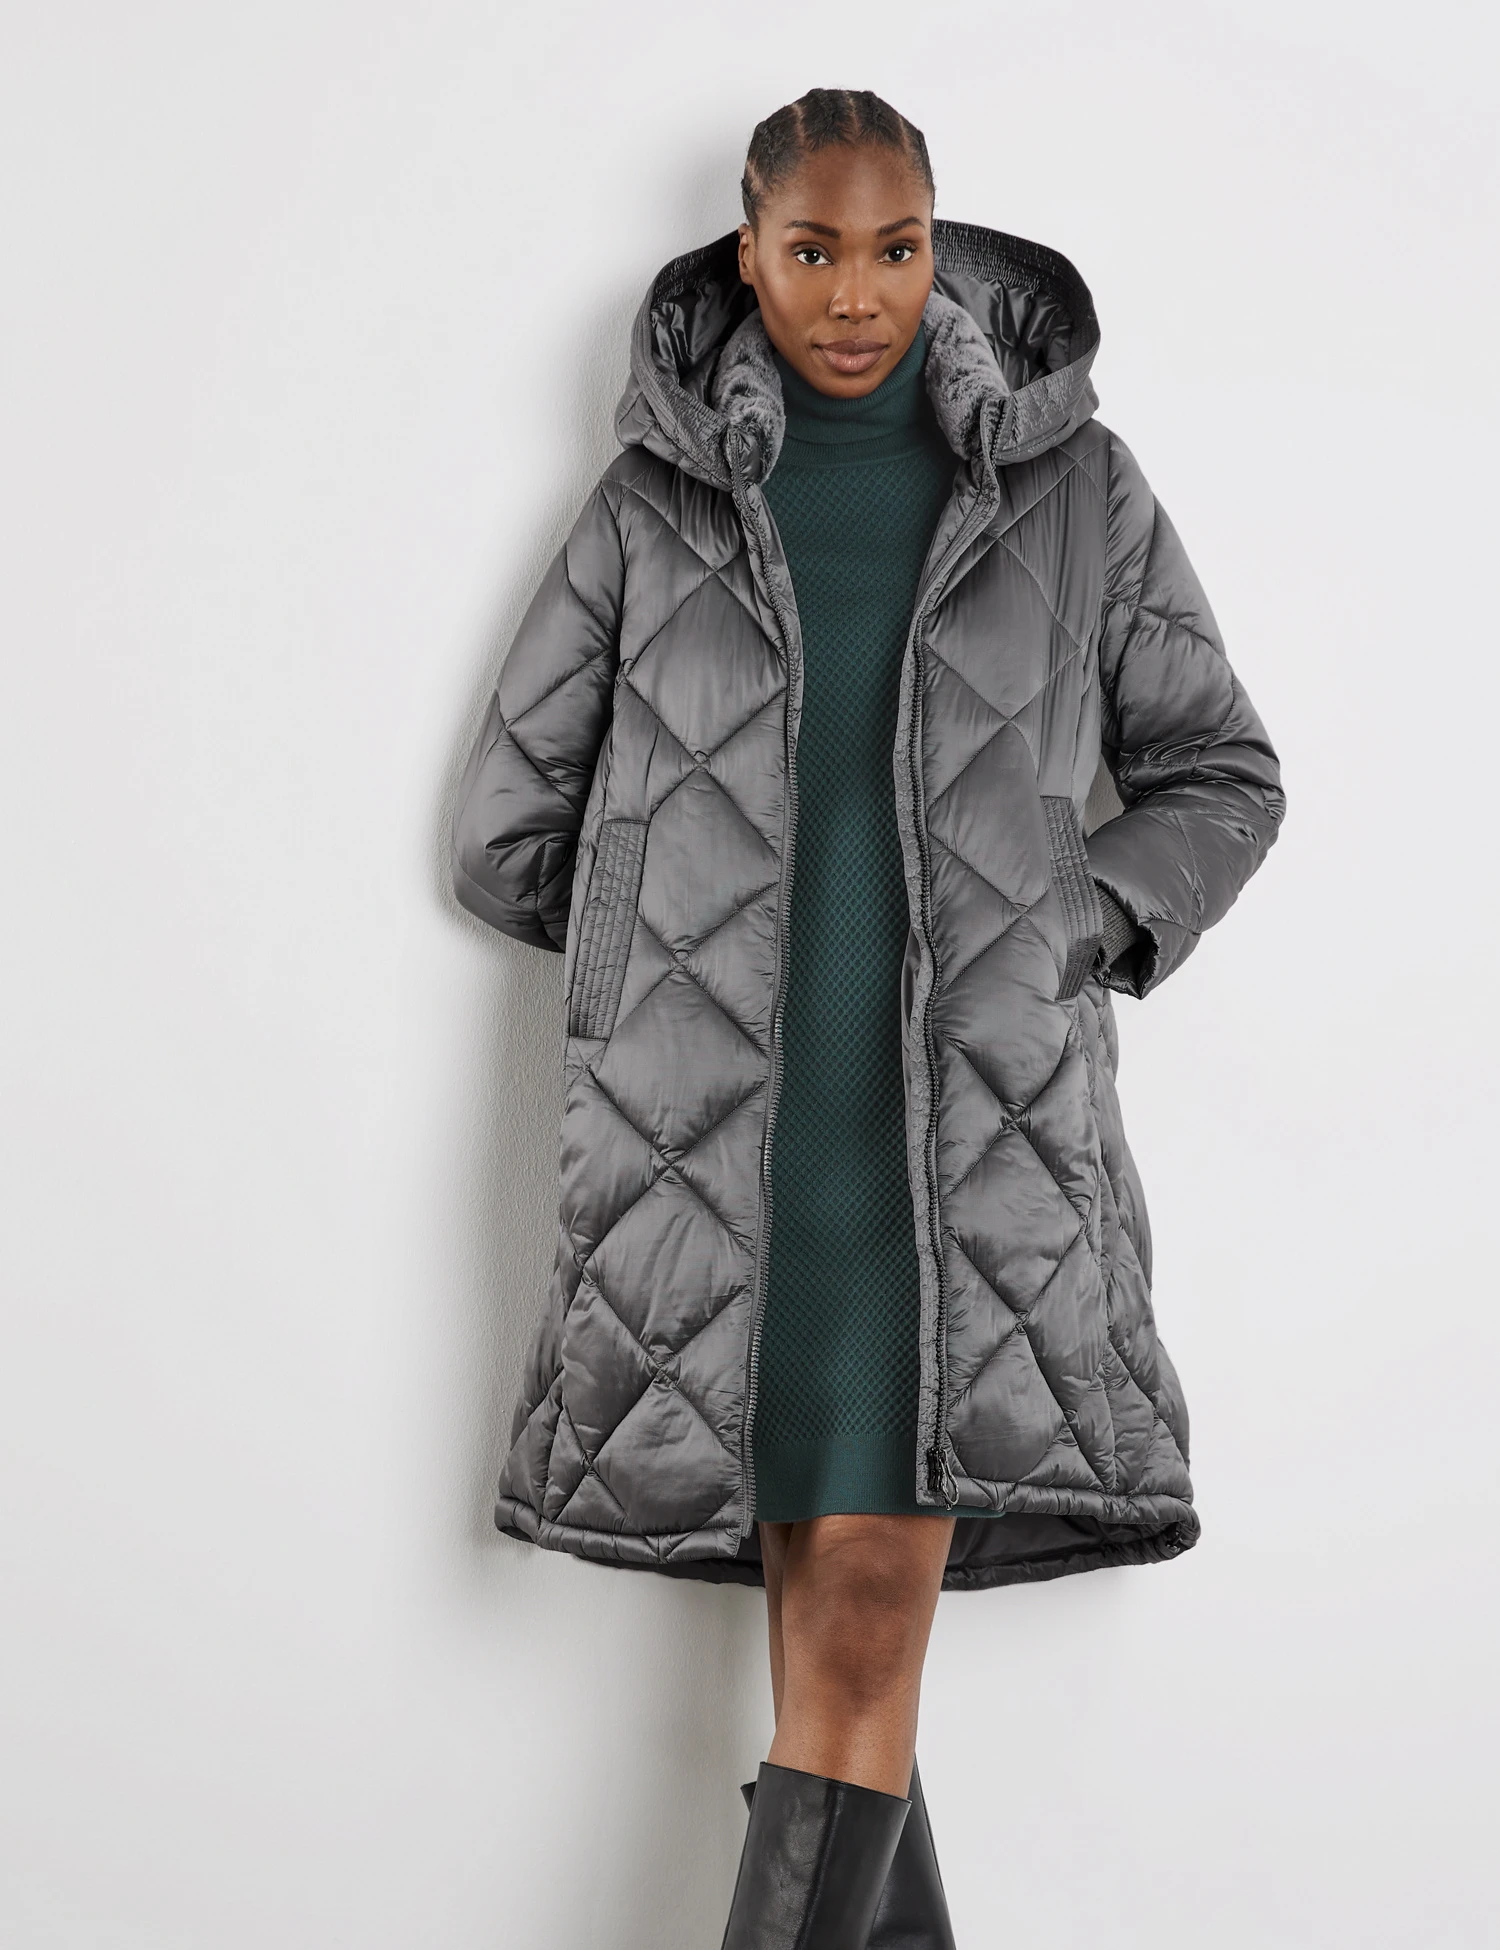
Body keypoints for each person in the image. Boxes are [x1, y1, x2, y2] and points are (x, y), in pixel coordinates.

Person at [451, 87, 1284, 1949]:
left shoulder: (1077, 489)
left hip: (966, 1157)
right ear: (746, 255)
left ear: (938, 248)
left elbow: (1223, 773)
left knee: (853, 1638)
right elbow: (507, 831)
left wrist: (1076, 915)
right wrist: (670, 952)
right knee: (836, 1671)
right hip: (731, 1179)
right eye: (813, 249)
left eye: (895, 248)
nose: (856, 293)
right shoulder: (656, 499)